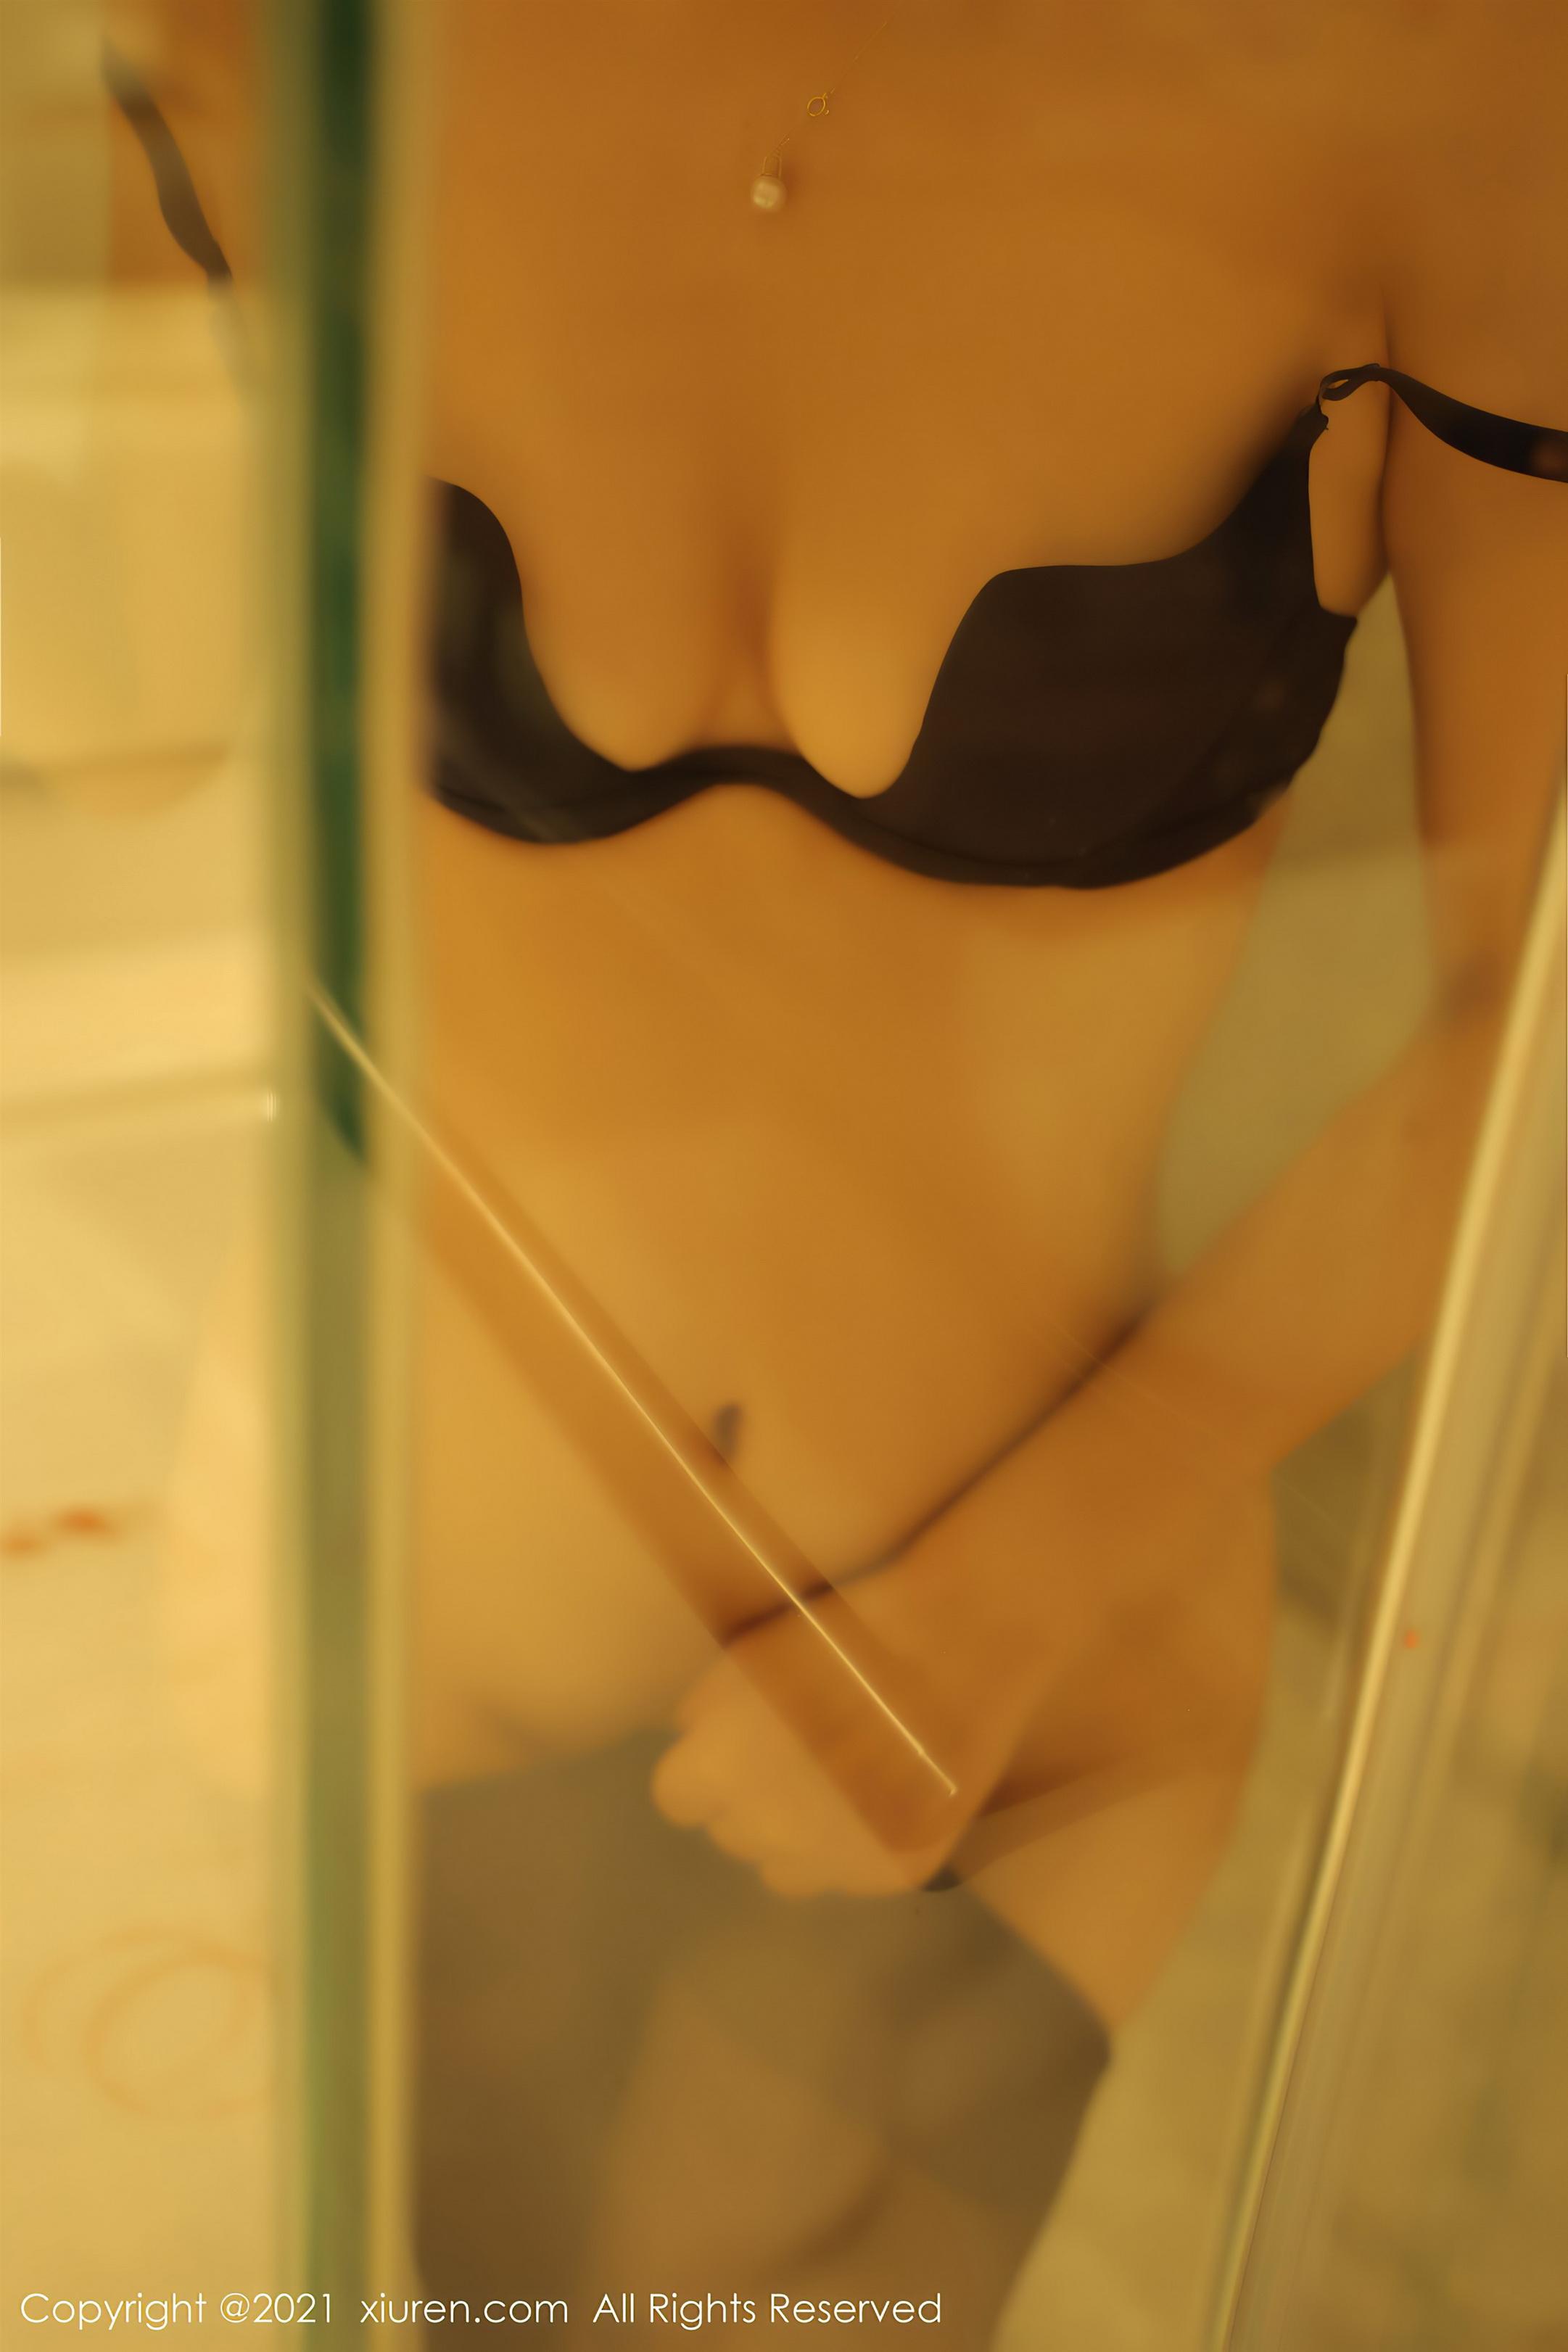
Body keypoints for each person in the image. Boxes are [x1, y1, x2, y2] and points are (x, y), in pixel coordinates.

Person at [110, 0, 1567, 2337]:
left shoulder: (1450, 72)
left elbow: (1533, 1029)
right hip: (417, 1568)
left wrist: (991, 1614)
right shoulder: (301, 31)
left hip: (1024, 1681)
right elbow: (119, 733)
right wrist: (145, 142)